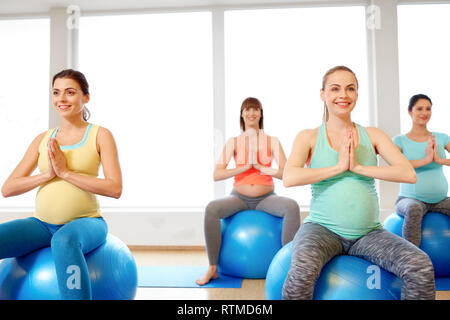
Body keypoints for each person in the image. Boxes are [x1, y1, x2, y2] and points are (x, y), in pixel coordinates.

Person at [282, 66, 435, 300]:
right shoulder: (309, 136)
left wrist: (359, 168)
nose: (343, 94)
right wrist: (338, 167)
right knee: (302, 268)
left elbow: (407, 173)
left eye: (350, 88)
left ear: (356, 95)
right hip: (321, 229)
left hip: (368, 232)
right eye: (335, 89)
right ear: (322, 94)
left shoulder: (373, 135)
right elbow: (289, 177)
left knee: (420, 265)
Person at [1, 69, 123, 300]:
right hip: (41, 224)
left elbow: (114, 188)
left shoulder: (100, 135)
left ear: (85, 97)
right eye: (56, 93)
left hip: (87, 222)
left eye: (70, 92)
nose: (61, 99)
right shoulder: (43, 138)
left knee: (64, 240)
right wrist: (47, 175)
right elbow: (8, 188)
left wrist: (65, 172)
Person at [196, 97, 301, 286]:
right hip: (239, 198)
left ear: (261, 114)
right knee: (212, 208)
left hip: (266, 198)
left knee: (291, 207)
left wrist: (261, 166)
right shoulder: (233, 142)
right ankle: (212, 268)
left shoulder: (272, 141)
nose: (251, 113)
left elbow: (286, 174)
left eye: (255, 109)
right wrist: (245, 167)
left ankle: (287, 267)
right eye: (247, 109)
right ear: (242, 114)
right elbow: (217, 174)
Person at [393, 94, 450, 247]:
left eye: (428, 108)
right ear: (409, 112)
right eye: (419, 108)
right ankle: (411, 256)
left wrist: (441, 160)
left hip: (440, 199)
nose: (424, 112)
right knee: (413, 208)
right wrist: (425, 160)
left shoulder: (441, 138)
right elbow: (396, 166)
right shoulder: (399, 141)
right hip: (409, 199)